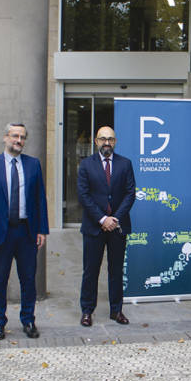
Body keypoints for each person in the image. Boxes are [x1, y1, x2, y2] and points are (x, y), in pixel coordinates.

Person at [0, 123, 49, 340]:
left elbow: (40, 200)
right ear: (5, 137)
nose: (19, 140)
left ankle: (28, 320)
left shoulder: (33, 165)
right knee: (0, 279)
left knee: (28, 280)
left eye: (23, 137)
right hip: (2, 232)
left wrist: (42, 229)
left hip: (27, 232)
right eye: (15, 136)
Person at [77, 126, 136, 327]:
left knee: (116, 270)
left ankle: (116, 310)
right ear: (96, 141)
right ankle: (87, 310)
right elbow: (83, 196)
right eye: (103, 139)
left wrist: (115, 219)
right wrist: (103, 219)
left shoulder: (125, 164)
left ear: (115, 141)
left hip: (118, 227)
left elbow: (130, 194)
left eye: (110, 139)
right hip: (94, 227)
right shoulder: (86, 165)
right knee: (90, 270)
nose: (107, 143)